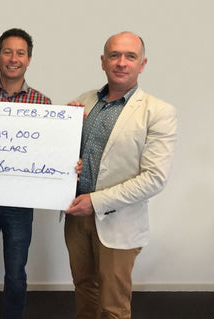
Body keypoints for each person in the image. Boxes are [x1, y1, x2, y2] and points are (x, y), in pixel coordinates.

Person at [0, 28, 81, 319]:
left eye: (20, 53)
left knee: (16, 270)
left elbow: (52, 152)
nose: (13, 58)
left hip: (19, 204)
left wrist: (69, 163)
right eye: (7, 51)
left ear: (29, 60)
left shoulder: (43, 103)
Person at [64, 31, 177, 319]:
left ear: (143, 64)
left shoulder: (158, 112)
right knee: (84, 290)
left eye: (130, 56)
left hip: (118, 220)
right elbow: (65, 157)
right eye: (114, 55)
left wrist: (97, 201)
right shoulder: (83, 101)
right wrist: (66, 128)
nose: (121, 62)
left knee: (113, 306)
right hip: (77, 216)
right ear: (103, 61)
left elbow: (154, 178)